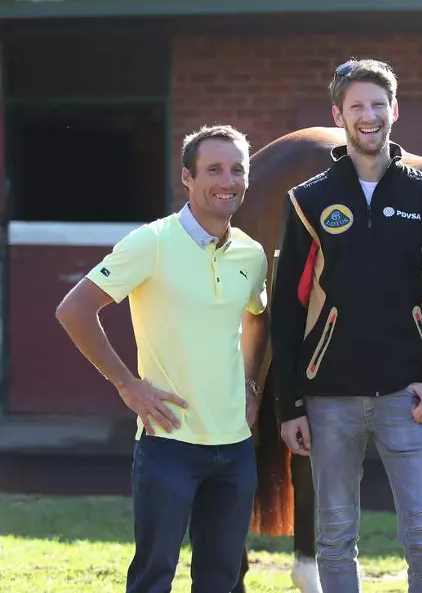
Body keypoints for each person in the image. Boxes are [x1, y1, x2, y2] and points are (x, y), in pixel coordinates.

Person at [268, 58, 422, 592]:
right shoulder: (309, 201)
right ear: (338, 114)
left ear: (395, 111)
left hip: (409, 397)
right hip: (329, 399)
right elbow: (288, 308)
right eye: (357, 106)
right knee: (335, 535)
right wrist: (289, 403)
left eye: (378, 105)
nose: (369, 116)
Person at [55, 124, 269, 593]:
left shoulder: (252, 255)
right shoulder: (150, 242)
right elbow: (74, 310)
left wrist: (252, 386)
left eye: (237, 170)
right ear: (187, 178)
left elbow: (257, 318)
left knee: (223, 578)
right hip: (168, 443)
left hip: (234, 448)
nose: (227, 181)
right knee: (153, 577)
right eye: (213, 169)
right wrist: (127, 384)